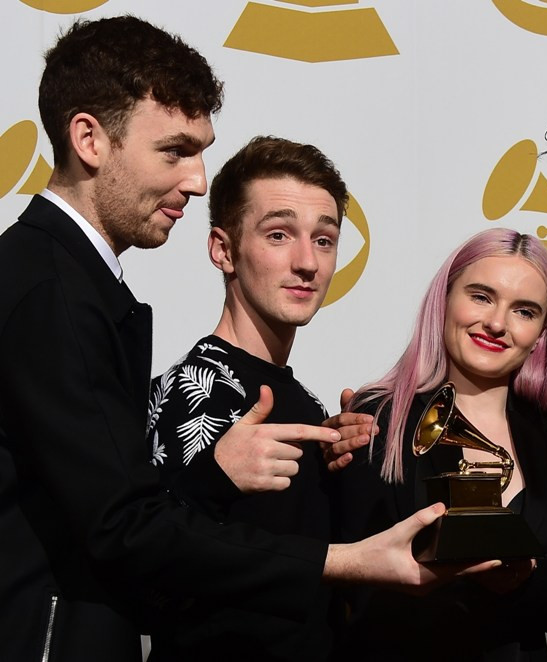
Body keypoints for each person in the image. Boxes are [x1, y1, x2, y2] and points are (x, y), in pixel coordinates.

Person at [0, 16, 488, 662]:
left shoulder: (72, 280)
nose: (197, 179)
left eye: (325, 237)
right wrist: (339, 556)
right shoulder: (53, 288)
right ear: (89, 138)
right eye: (174, 150)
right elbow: (126, 533)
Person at [331, 228, 547, 661]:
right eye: (480, 296)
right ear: (445, 299)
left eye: (524, 311)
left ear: (542, 333)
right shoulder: (378, 418)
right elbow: (352, 586)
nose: (497, 323)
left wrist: (526, 581)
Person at [145, 136, 350, 661]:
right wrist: (212, 476)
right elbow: (148, 571)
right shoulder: (193, 391)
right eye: (279, 235)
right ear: (223, 249)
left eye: (323, 239)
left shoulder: (304, 400)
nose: (307, 262)